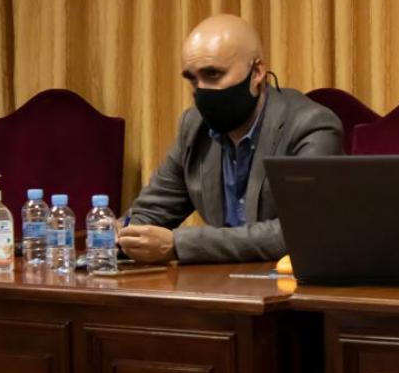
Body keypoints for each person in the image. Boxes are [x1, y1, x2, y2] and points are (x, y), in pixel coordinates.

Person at [120, 14, 343, 263]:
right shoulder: (194, 126)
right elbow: (152, 210)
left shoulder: (311, 126)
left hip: (289, 288)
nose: (201, 90)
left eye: (213, 75)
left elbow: (302, 231)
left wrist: (178, 244)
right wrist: (121, 234)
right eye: (193, 79)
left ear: (257, 72)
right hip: (222, 286)